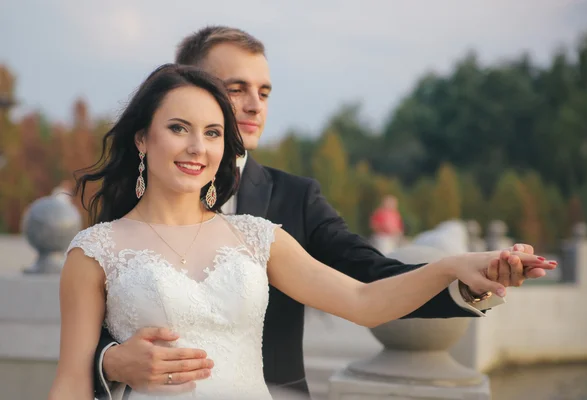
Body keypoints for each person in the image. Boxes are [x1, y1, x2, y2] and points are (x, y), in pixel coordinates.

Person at [88, 27, 555, 399]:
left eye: (265, 92)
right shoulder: (116, 224)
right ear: (185, 86)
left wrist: (465, 277)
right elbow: (101, 327)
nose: (254, 105)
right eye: (236, 88)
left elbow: (371, 284)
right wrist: (110, 361)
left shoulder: (291, 204)